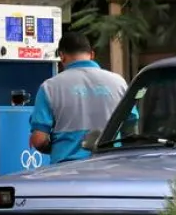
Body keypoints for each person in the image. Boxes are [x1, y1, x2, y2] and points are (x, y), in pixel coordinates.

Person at [30, 32, 128, 165]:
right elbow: (130, 128)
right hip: (111, 166)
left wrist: (59, 147)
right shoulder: (119, 83)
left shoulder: (49, 87)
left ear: (62, 56)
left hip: (66, 170)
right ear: (92, 55)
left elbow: (39, 140)